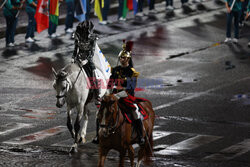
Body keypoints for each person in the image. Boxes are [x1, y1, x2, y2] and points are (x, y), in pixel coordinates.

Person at [92, 40, 145, 146]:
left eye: (124, 58)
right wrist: (108, 94)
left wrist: (117, 95)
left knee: (135, 112)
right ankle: (98, 136)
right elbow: (109, 84)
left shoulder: (132, 72)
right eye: (121, 58)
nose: (122, 59)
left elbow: (130, 89)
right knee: (99, 113)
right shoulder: (115, 70)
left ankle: (140, 136)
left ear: (128, 59)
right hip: (113, 96)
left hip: (126, 97)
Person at [72, 21, 101, 104]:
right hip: (78, 59)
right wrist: (73, 58)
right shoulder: (77, 36)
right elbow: (75, 49)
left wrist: (86, 60)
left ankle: (97, 96)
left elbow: (92, 52)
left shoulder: (93, 38)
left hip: (88, 60)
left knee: (93, 75)